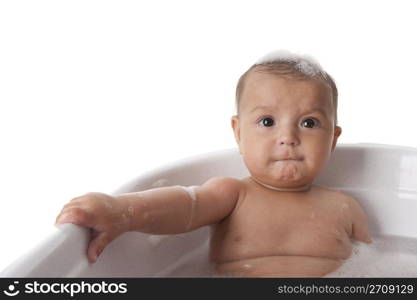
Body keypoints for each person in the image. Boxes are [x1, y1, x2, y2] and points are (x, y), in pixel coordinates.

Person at [56, 50, 371, 277]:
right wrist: (119, 211)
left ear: (332, 139)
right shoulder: (233, 195)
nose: (287, 137)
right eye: (267, 121)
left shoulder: (345, 207)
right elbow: (181, 205)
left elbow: (374, 269)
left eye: (309, 123)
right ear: (238, 132)